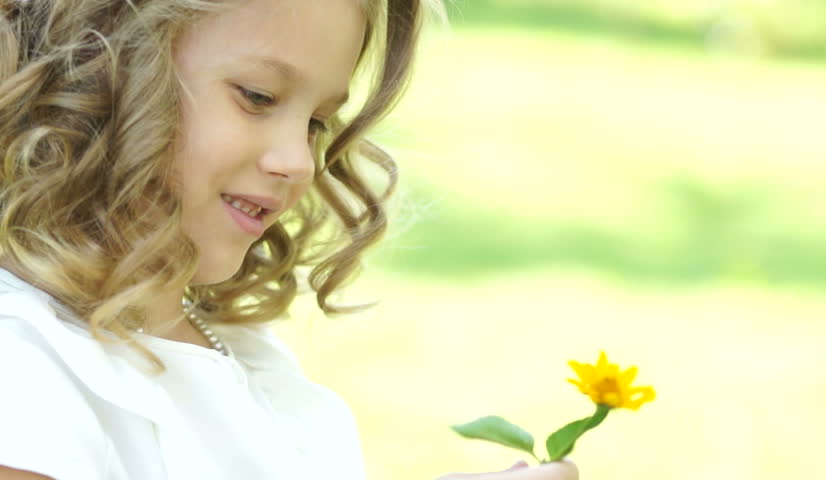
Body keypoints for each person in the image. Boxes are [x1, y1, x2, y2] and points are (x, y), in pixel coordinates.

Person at [0, 0, 579, 479]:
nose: (298, 161)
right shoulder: (24, 374)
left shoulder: (236, 345)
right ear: (97, 64)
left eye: (316, 122)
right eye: (257, 96)